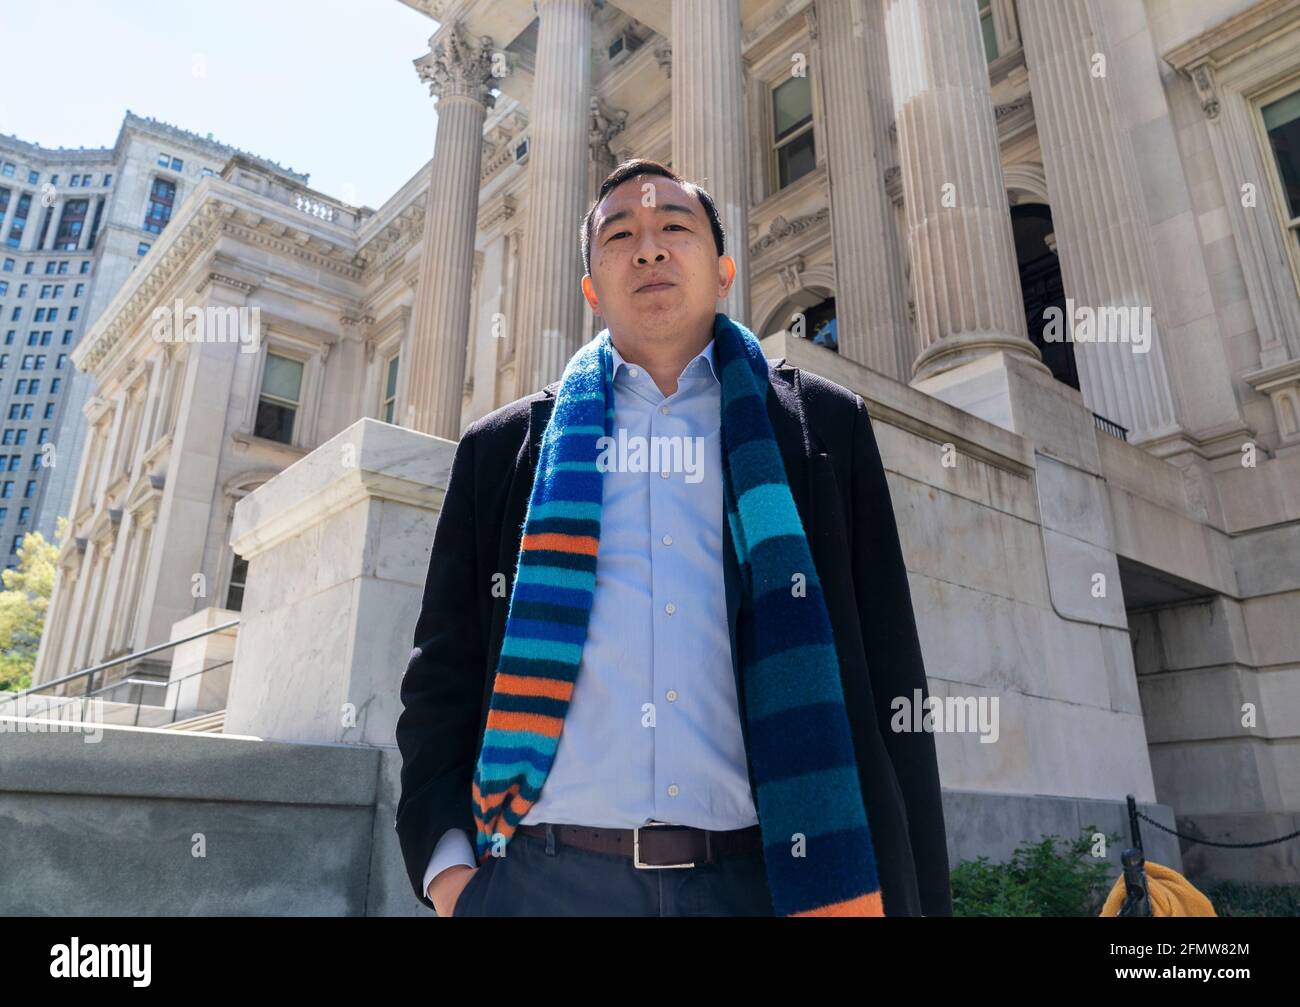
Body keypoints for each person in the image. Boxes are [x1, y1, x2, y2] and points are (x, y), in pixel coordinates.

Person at [394, 158, 951, 917]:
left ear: (722, 270)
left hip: (763, 880)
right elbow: (441, 678)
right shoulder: (501, 451)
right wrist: (453, 877)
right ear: (593, 288)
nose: (649, 248)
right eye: (621, 234)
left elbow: (890, 673)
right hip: (542, 883)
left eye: (674, 229)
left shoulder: (824, 428)